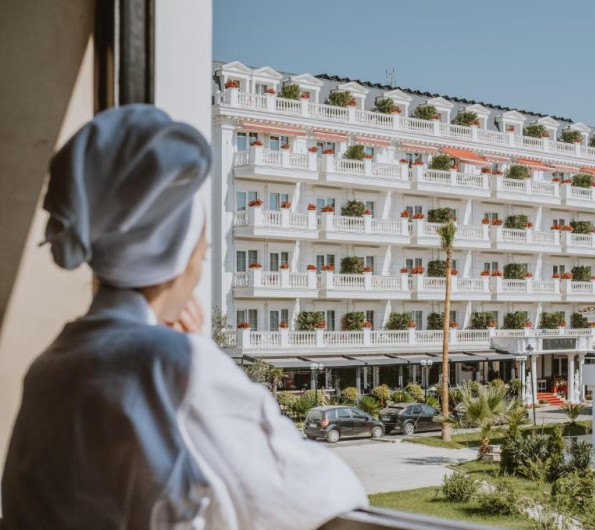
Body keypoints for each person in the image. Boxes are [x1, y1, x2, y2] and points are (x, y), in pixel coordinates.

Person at [1, 105, 366, 529]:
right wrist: (196, 352)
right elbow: (312, 492)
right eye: (203, 256)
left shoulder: (49, 367)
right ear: (176, 256)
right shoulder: (171, 363)